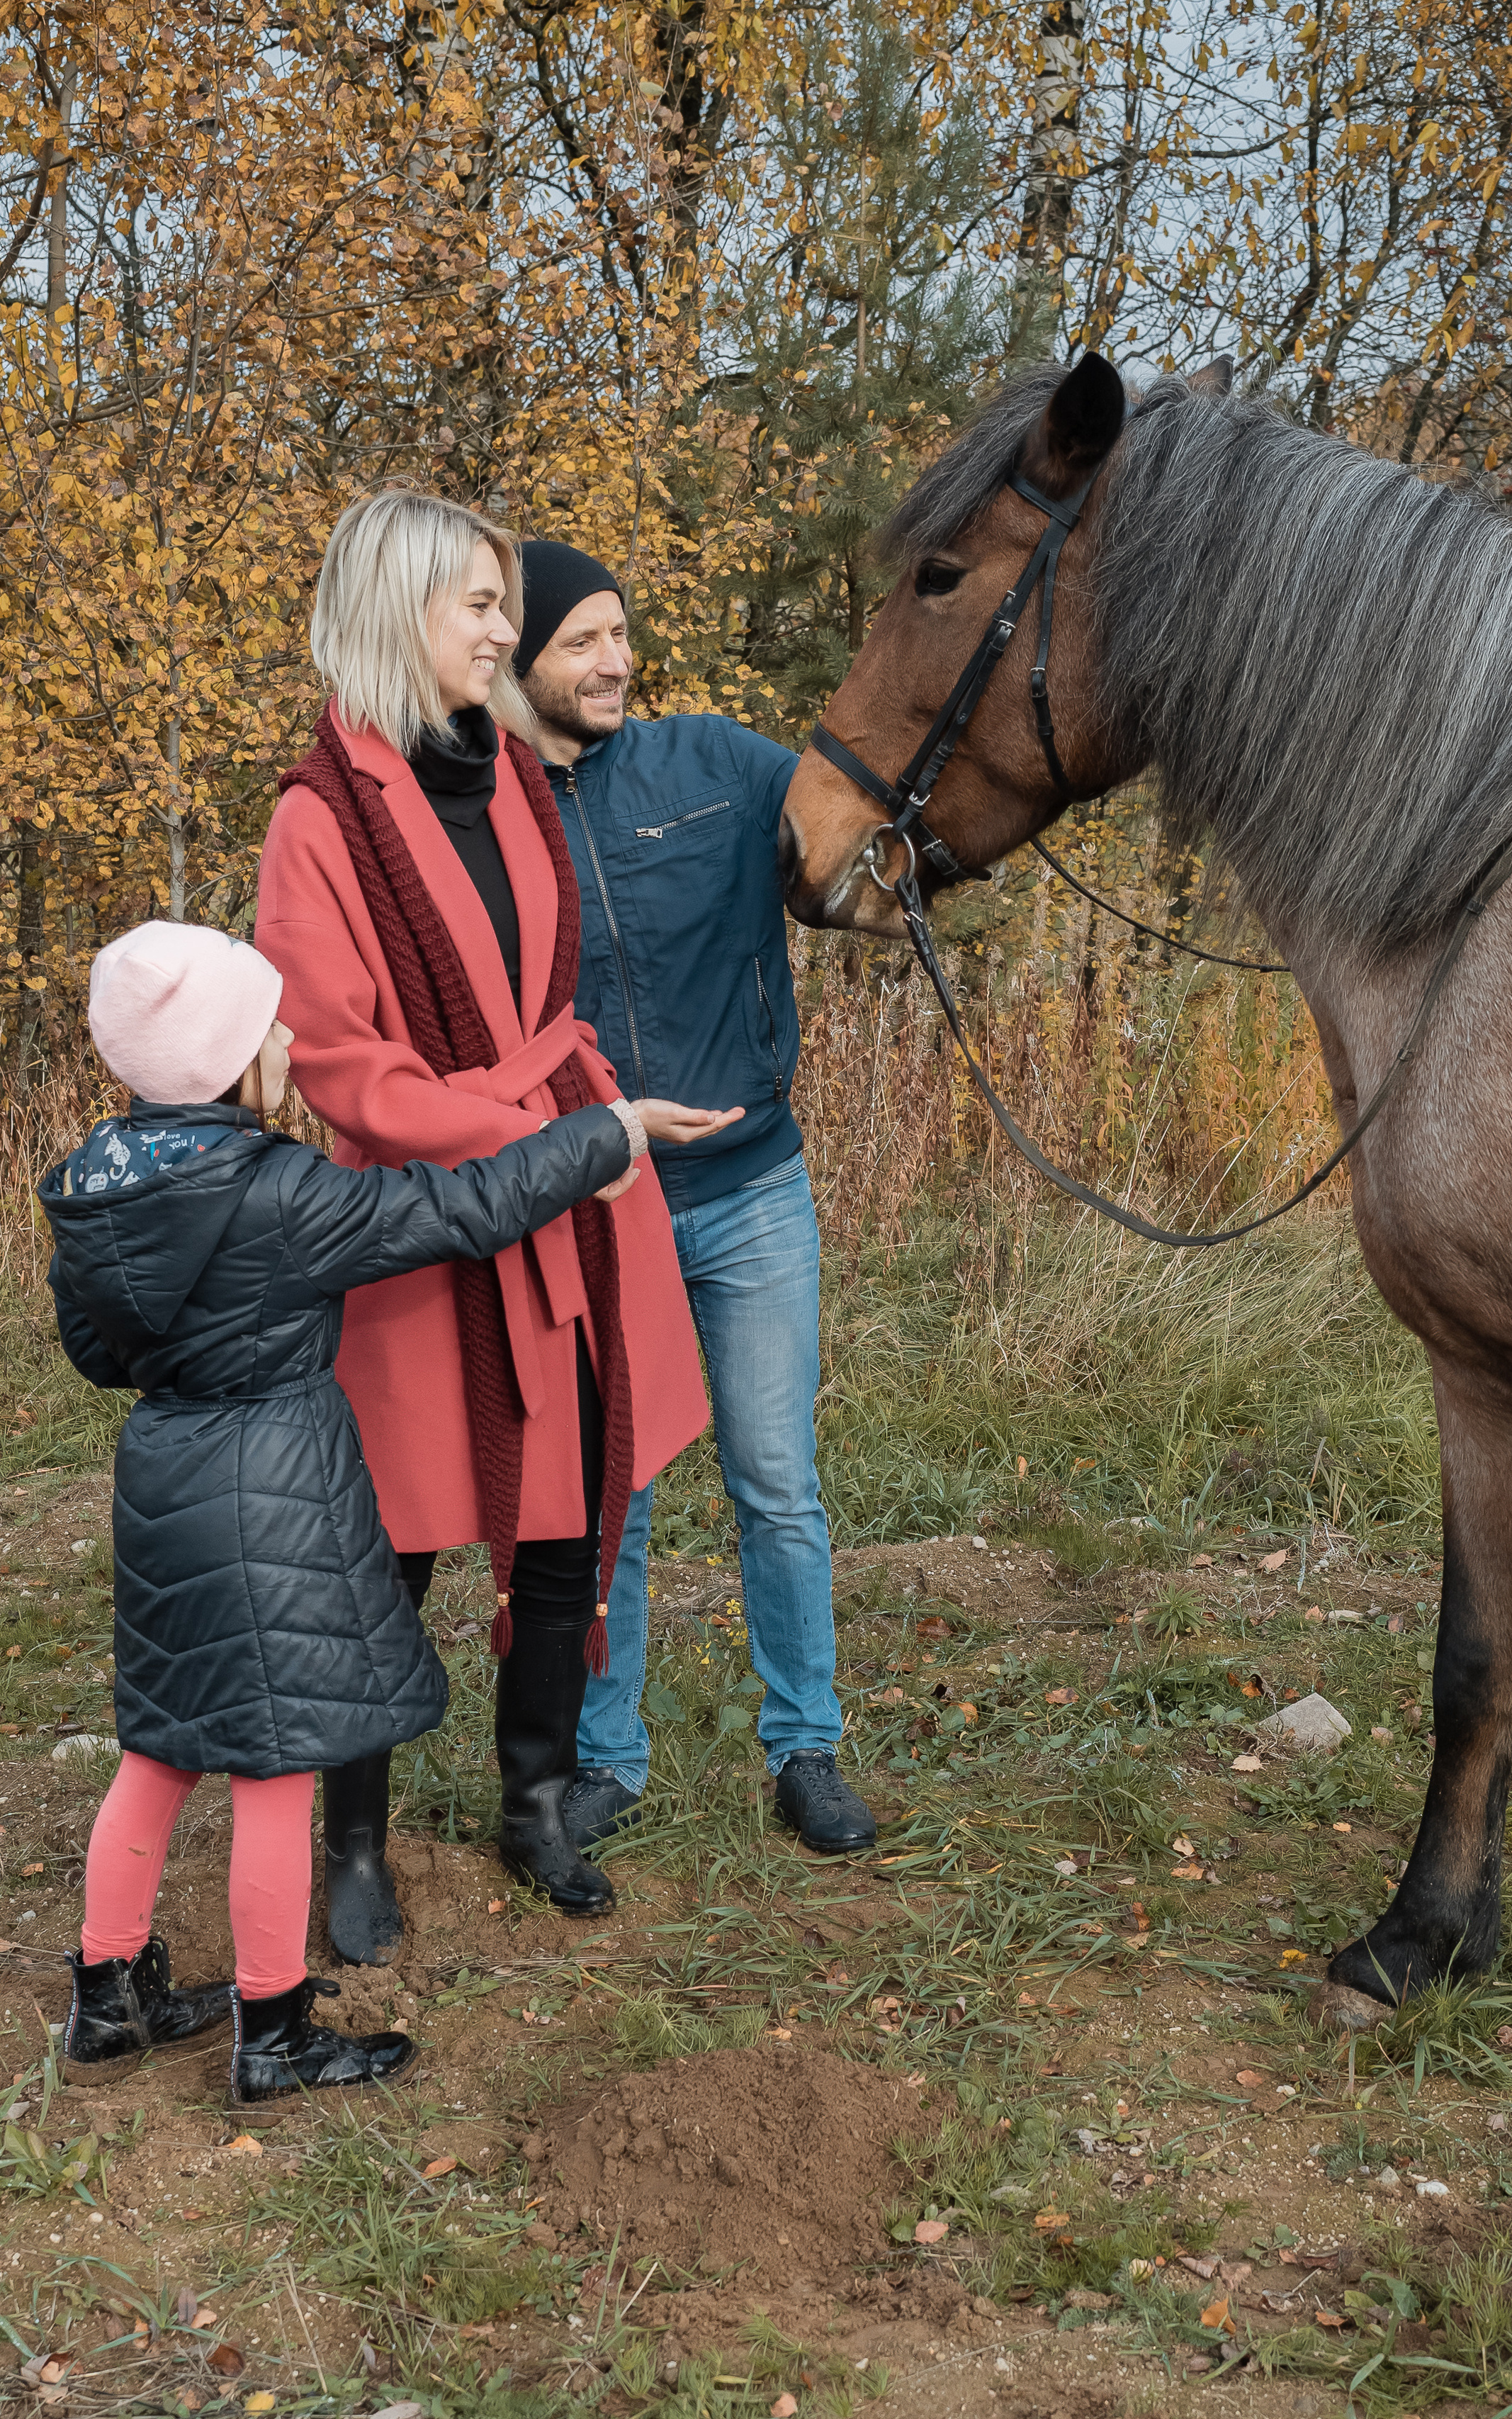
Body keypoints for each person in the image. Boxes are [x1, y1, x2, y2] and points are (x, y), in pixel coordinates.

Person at [43, 921, 650, 2101]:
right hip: (273, 1490)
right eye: (268, 1023)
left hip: (163, 1482)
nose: (289, 1036)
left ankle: (106, 1998)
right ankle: (273, 2029)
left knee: (159, 1749)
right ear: (227, 1059)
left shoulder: (93, 1190)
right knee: (279, 1768)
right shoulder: (275, 1191)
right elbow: (461, 1207)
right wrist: (601, 1133)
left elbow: (92, 1352)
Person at [256, 490, 737, 1968]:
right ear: (400, 609)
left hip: (560, 1206)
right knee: (380, 1551)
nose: (498, 629)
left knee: (559, 1519)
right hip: (412, 1224)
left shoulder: (521, 780)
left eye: (500, 601)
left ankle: (533, 1801)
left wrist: (569, 1132)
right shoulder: (318, 818)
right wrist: (548, 1141)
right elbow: (340, 1064)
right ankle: (352, 1838)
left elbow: (545, 996)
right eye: (476, 602)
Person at [513, 541, 876, 1856]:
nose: (613, 661)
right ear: (520, 662)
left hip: (752, 1194)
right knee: (619, 1494)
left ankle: (807, 1748)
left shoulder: (715, 762)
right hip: (601, 1208)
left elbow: (856, 837)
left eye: (621, 635)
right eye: (581, 642)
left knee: (777, 1479)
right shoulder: (497, 814)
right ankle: (608, 1756)